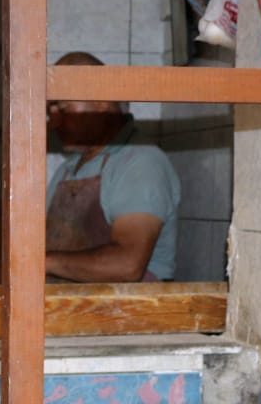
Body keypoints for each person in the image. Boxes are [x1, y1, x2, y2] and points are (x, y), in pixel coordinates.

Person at [40, 51, 181, 283]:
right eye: (50, 113)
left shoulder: (140, 162)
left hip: (127, 312)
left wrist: (40, 263)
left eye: (62, 109)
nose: (53, 123)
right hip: (75, 309)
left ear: (101, 100)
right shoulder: (68, 169)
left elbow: (127, 265)